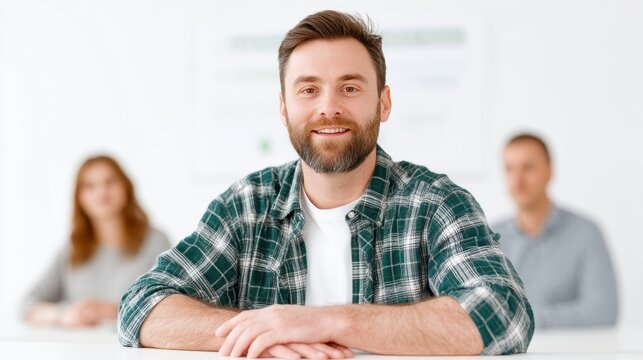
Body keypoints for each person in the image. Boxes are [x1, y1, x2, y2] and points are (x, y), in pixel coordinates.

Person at [118, 10, 533, 358]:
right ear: (284, 108)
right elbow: (141, 305)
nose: (328, 107)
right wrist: (260, 335)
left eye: (349, 88)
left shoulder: (436, 203)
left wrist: (324, 321)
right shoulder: (245, 206)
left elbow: (504, 312)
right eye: (308, 90)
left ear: (383, 103)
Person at [22, 155, 171, 327]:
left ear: (126, 187)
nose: (101, 192)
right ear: (79, 197)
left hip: (134, 351)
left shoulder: (155, 242)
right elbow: (27, 304)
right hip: (81, 349)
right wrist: (64, 314)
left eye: (110, 182)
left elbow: (168, 305)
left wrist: (110, 311)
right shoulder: (73, 248)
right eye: (90, 186)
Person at [493, 133, 618, 328]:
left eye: (528, 167)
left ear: (549, 171)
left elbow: (602, 312)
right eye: (510, 169)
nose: (518, 179)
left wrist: (520, 319)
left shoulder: (586, 233)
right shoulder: (489, 237)